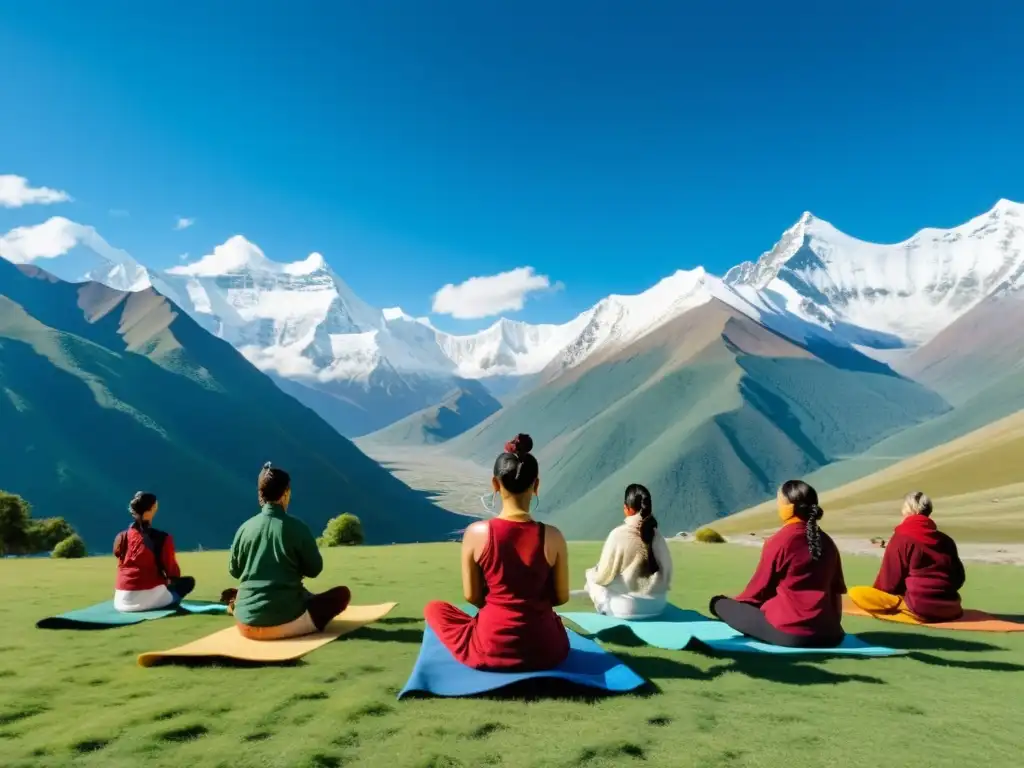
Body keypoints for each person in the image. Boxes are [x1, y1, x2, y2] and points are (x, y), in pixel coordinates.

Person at [424, 434, 571, 670]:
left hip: (491, 647)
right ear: (536, 485)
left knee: (434, 608)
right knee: (554, 622)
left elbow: (472, 597)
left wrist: (500, 606)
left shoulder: (476, 533)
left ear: (495, 484)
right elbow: (561, 597)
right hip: (546, 650)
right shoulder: (553, 536)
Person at [709, 480, 846, 648]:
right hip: (832, 637)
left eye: (779, 501)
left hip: (793, 634)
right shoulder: (828, 543)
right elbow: (836, 594)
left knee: (719, 603)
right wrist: (832, 627)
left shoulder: (780, 541)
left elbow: (757, 592)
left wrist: (737, 604)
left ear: (789, 507)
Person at [227, 462, 351, 640]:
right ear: (286, 493)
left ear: (260, 494)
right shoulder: (297, 528)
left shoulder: (245, 528)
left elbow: (234, 570)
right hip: (284, 622)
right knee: (341, 595)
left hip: (244, 624)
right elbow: (314, 569)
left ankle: (238, 604)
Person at [847, 491, 965, 623]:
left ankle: (907, 611)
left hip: (921, 607)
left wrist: (883, 596)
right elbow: (959, 578)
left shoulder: (902, 537)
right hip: (951, 607)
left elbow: (889, 582)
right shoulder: (946, 540)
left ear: (909, 509)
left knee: (856, 592)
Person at [584, 483, 673, 619]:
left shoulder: (618, 534)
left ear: (627, 508)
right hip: (658, 606)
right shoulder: (658, 536)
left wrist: (591, 575)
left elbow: (603, 576)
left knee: (591, 579)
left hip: (628, 609)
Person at [113, 492, 195, 612]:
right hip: (146, 598)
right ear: (150, 511)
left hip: (120, 600)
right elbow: (172, 571)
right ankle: (167, 602)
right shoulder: (163, 538)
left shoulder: (121, 537)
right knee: (188, 582)